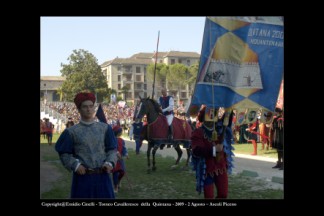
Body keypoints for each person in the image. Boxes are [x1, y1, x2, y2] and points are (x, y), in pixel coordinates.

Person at [55, 92, 118, 199]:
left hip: (103, 177)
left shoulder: (105, 128)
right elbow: (64, 153)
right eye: (85, 107)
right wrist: (76, 165)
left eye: (91, 106)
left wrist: (110, 162)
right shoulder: (71, 132)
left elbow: (112, 149)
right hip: (82, 179)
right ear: (79, 109)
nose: (88, 109)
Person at [191, 106, 234, 199]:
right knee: (209, 196)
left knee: (223, 194)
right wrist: (214, 150)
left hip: (221, 167)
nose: (212, 117)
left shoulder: (219, 128)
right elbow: (196, 150)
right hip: (207, 169)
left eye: (214, 114)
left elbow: (227, 121)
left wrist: (230, 108)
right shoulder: (198, 132)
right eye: (210, 114)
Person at [112, 125, 129, 193]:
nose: (121, 132)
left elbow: (124, 148)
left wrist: (126, 154)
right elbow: (112, 148)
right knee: (115, 173)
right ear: (117, 132)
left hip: (121, 159)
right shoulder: (112, 140)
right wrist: (116, 152)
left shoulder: (122, 140)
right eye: (120, 131)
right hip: (114, 159)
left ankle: (119, 181)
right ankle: (116, 186)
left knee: (122, 172)